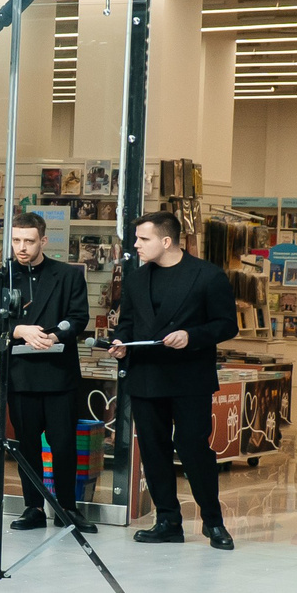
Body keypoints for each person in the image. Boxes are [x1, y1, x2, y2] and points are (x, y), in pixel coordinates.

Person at [112, 210, 236, 550]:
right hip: (145, 376)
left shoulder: (208, 276)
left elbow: (227, 325)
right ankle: (167, 520)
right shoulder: (136, 279)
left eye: (143, 239)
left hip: (189, 378)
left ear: (166, 241)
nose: (135, 245)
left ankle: (213, 522)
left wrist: (191, 336)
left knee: (194, 448)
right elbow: (128, 322)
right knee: (153, 450)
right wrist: (120, 343)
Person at [0, 210, 92, 532]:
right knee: (27, 446)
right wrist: (20, 331)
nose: (22, 247)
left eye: (29, 241)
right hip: (20, 375)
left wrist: (55, 335)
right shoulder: (0, 278)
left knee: (63, 445)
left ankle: (66, 508)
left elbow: (79, 317)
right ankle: (33, 508)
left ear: (43, 240)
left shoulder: (68, 275)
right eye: (16, 240)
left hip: (59, 374)